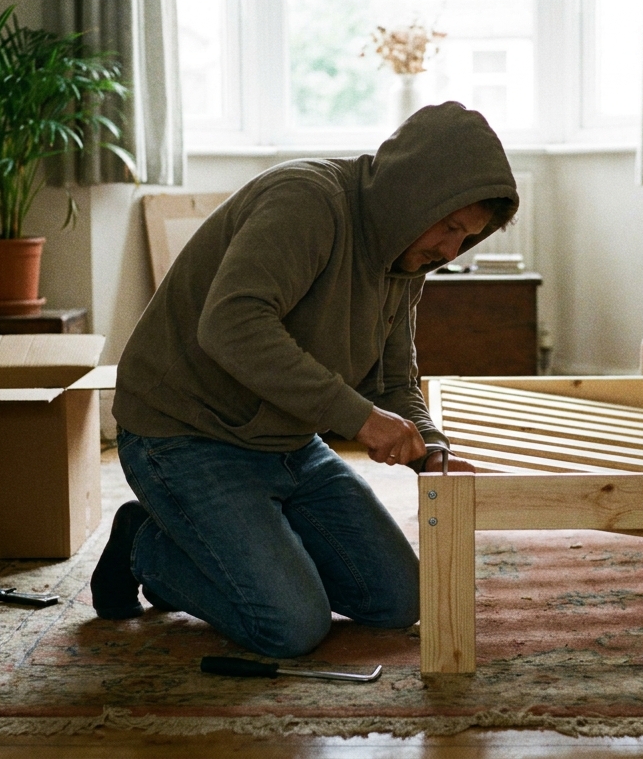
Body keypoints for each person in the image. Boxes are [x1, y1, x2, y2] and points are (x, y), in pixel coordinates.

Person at [92, 102, 518, 658]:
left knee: (400, 600)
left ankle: (251, 545)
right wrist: (361, 421)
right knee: (291, 626)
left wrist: (429, 451)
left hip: (287, 440)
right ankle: (143, 543)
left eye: (466, 239)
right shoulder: (307, 200)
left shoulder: (405, 258)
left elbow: (393, 381)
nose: (449, 250)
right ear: (417, 190)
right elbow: (231, 324)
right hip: (185, 434)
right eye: (450, 226)